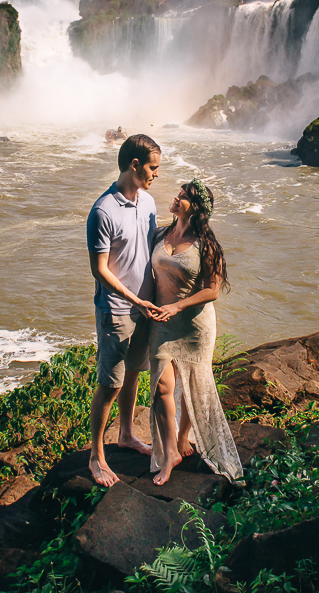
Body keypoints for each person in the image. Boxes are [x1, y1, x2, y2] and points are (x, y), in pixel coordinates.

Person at [148, 179, 243, 486]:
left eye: (184, 197)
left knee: (194, 382)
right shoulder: (161, 233)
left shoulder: (207, 244)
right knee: (162, 387)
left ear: (197, 208)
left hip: (194, 326)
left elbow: (213, 290)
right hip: (161, 323)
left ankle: (184, 436)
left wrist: (178, 307)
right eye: (179, 194)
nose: (176, 198)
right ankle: (171, 451)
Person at [86, 134, 163, 487]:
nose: (156, 174)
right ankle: (96, 456)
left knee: (133, 373)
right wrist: (135, 300)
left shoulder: (148, 202)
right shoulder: (103, 211)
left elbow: (151, 249)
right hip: (117, 309)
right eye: (152, 167)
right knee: (110, 383)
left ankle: (127, 435)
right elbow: (100, 270)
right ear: (134, 164)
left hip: (145, 307)